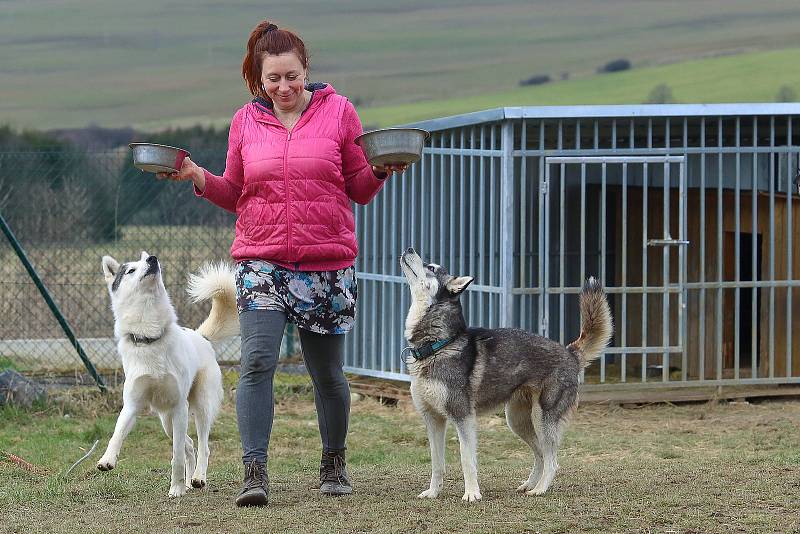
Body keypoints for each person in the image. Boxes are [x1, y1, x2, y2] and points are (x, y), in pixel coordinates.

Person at [158, 20, 406, 507]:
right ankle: (255, 473)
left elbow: (357, 185)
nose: (284, 87)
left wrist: (378, 170)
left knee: (327, 375)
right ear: (259, 78)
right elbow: (236, 191)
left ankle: (334, 461)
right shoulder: (245, 122)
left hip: (326, 263)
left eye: (291, 76)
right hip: (262, 259)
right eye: (273, 79)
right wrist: (196, 175)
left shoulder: (340, 113)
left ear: (307, 70)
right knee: (256, 363)